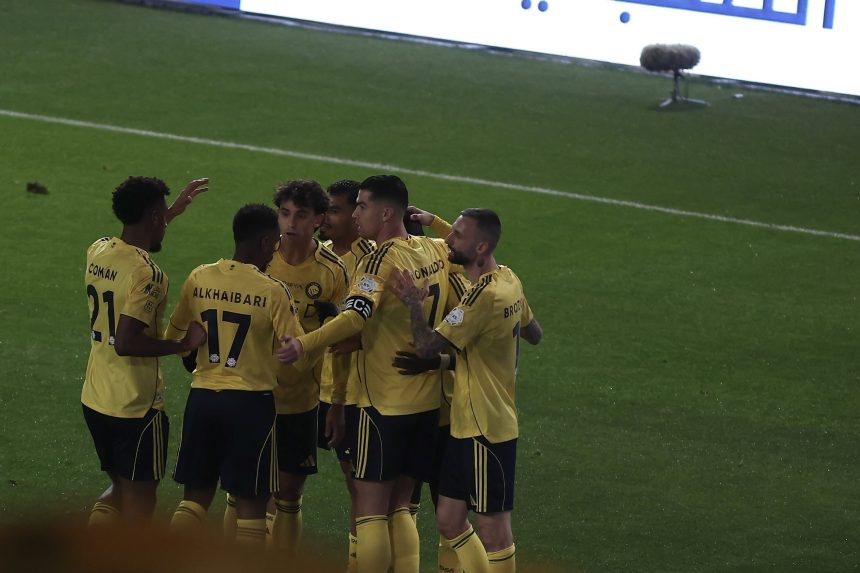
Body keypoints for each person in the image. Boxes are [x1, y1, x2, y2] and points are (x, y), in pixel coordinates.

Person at [278, 174, 454, 573]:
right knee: (402, 506)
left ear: (386, 212)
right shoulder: (432, 250)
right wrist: (434, 221)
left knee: (372, 509)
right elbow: (465, 246)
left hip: (385, 402)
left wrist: (306, 343)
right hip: (427, 401)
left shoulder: (378, 258)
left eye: (362, 206)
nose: (357, 214)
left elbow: (356, 315)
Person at [388, 208, 542, 573]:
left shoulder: (481, 299)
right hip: (466, 425)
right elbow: (535, 334)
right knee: (448, 519)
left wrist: (413, 303)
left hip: (486, 428)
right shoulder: (509, 281)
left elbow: (426, 346)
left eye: (457, 235)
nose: (448, 241)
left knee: (494, 528)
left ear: (481, 247)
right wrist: (433, 221)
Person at [165, 204, 306, 546]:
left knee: (194, 498)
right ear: (264, 242)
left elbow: (178, 340)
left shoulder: (200, 277)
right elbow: (299, 355)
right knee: (251, 505)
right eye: (274, 242)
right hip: (250, 405)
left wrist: (193, 354)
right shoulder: (273, 291)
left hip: (202, 398)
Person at [82, 176, 208, 524]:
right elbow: (127, 342)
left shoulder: (98, 249)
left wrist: (167, 213)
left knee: (120, 491)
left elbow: (138, 232)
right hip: (135, 407)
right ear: (153, 216)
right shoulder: (149, 274)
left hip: (95, 397)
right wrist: (182, 344)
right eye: (161, 216)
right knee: (140, 504)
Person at [259, 180, 350, 554]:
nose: (290, 223)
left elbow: (345, 341)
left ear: (318, 220)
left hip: (302, 399)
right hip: (255, 391)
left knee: (290, 493)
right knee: (249, 490)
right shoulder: (261, 257)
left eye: (300, 215)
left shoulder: (332, 271)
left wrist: (339, 403)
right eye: (284, 213)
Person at [317, 178, 375, 572]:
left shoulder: (371, 259)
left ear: (357, 215)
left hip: (354, 393)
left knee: (360, 490)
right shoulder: (314, 256)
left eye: (335, 210)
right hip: (310, 389)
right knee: (282, 480)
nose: (326, 218)